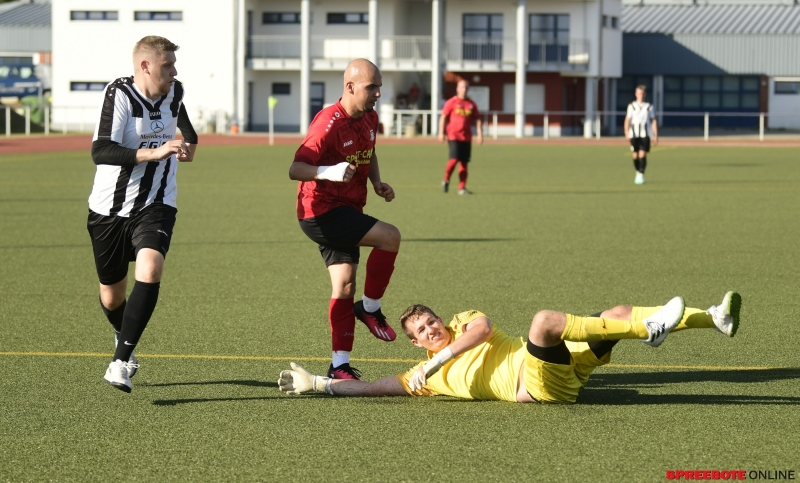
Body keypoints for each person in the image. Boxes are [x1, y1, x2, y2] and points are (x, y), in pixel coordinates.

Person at [279, 292, 741, 403]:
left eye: (431, 320)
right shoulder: (424, 379)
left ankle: (712, 319)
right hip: (536, 384)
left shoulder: (462, 327)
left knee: (618, 313)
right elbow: (377, 387)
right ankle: (650, 331)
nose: (431, 328)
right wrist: (322, 384)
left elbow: (481, 330)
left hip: (559, 365)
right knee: (543, 322)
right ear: (414, 342)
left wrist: (444, 353)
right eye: (421, 329)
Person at [88, 36, 198, 393]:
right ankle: (124, 334)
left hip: (157, 202)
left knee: (151, 268)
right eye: (167, 65)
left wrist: (188, 147)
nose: (174, 71)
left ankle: (120, 362)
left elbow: (187, 128)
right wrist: (156, 152)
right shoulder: (119, 94)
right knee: (111, 296)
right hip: (109, 209)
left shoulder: (175, 91)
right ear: (145, 66)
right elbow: (101, 150)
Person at [289, 58, 401, 381]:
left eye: (379, 86)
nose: (378, 93)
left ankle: (339, 365)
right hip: (321, 212)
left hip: (348, 209)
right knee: (390, 237)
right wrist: (330, 171)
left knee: (344, 284)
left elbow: (370, 151)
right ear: (350, 87)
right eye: (372, 87)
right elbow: (295, 169)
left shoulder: (370, 117)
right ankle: (370, 307)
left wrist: (377, 183)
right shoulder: (328, 123)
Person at [438, 79, 483, 195]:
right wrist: (441, 132)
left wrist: (479, 134)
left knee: (464, 163)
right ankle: (446, 179)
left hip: (466, 137)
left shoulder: (471, 104)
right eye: (462, 87)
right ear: (457, 88)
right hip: (454, 135)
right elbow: (443, 117)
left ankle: (462, 187)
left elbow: (477, 119)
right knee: (454, 160)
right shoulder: (451, 102)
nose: (464, 89)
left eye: (466, 87)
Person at [624, 85, 659, 185]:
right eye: (639, 93)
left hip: (645, 134)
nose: (641, 95)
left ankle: (641, 173)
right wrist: (626, 132)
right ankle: (638, 171)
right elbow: (627, 120)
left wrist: (655, 135)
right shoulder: (631, 106)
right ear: (636, 94)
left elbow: (653, 121)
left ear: (645, 94)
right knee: (635, 155)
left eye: (643, 93)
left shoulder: (649, 107)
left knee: (642, 154)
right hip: (634, 134)